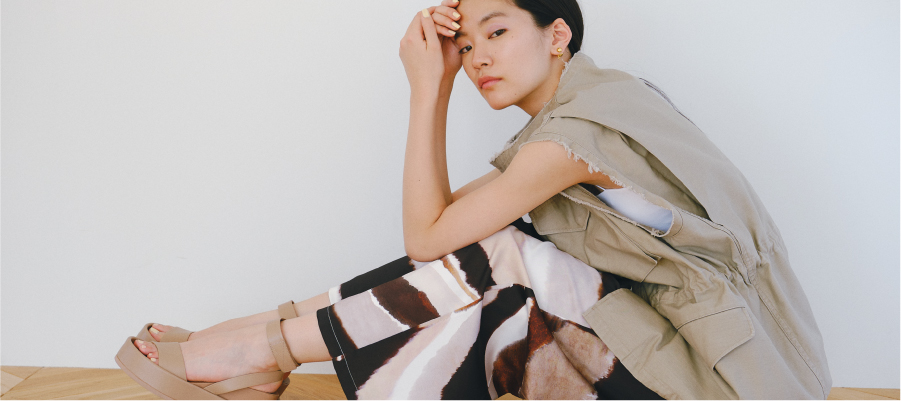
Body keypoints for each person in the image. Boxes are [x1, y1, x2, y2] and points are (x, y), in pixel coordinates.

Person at [114, 0, 832, 399]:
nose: (478, 55)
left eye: (498, 31)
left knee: (504, 256)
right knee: (491, 260)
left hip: (734, 385)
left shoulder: (580, 135)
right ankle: (264, 339)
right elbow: (444, 229)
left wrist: (428, 90)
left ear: (557, 35)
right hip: (706, 366)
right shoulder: (580, 120)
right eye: (467, 43)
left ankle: (261, 350)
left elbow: (429, 236)